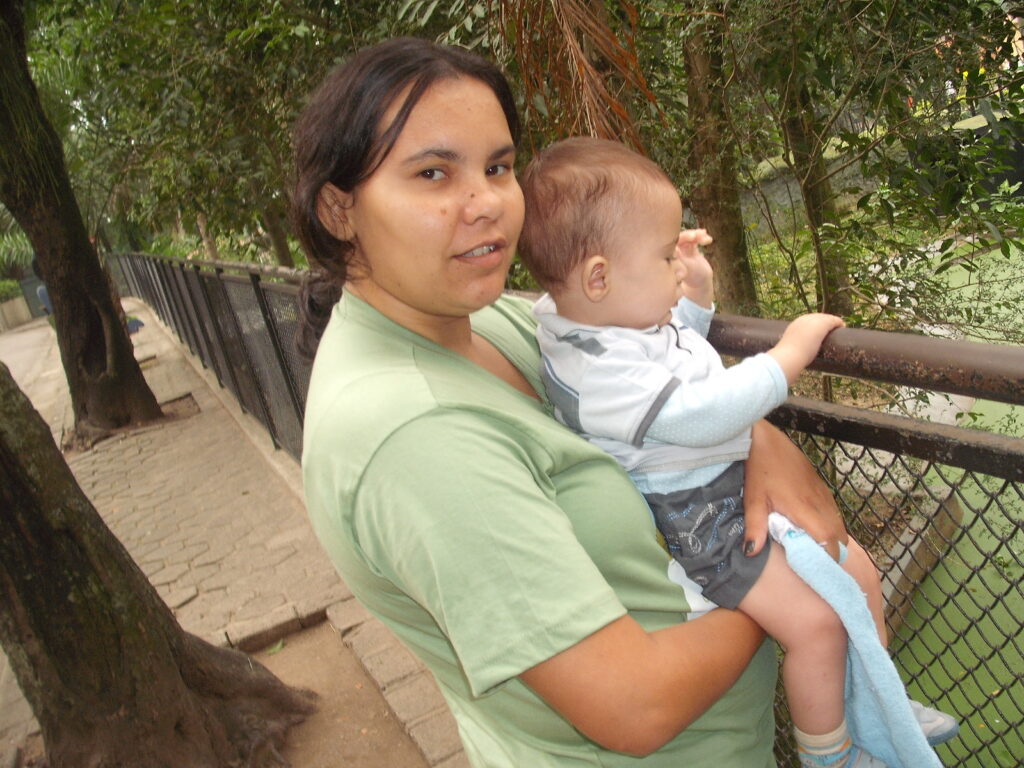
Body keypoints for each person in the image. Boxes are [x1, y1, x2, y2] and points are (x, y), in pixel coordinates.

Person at [296, 37, 851, 768]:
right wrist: (786, 591)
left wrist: (762, 448)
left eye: (498, 167)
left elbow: (655, 393)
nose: (486, 204)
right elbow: (634, 705)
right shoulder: (416, 434)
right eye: (433, 173)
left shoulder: (491, 322)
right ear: (339, 209)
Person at [516, 137, 958, 768]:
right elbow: (702, 413)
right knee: (814, 625)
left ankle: (878, 699)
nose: (674, 266)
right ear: (599, 276)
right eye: (664, 257)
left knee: (857, 567)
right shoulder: (596, 369)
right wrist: (790, 353)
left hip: (725, 481)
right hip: (701, 516)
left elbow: (677, 351)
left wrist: (694, 295)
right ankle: (830, 752)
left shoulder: (609, 322)